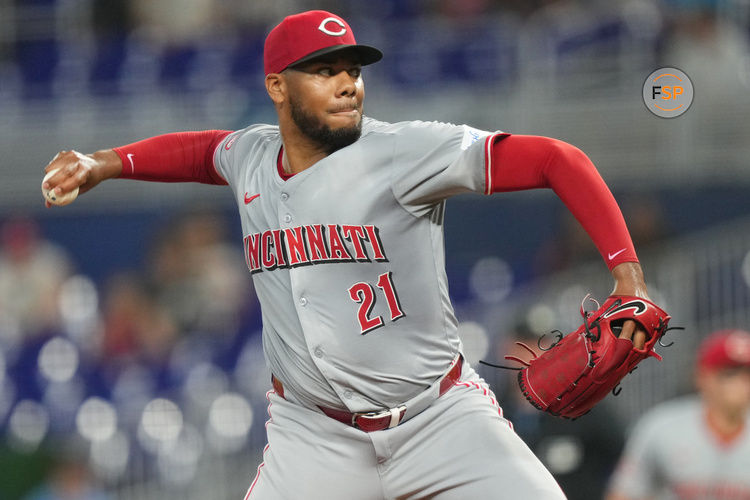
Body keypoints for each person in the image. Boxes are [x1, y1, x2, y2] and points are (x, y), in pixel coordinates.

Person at [42, 10, 661, 499]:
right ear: (277, 87)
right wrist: (106, 164)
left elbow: (559, 159)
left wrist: (626, 275)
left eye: (353, 69)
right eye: (325, 69)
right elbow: (201, 151)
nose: (347, 83)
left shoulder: (407, 153)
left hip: (438, 418)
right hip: (313, 435)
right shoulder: (252, 155)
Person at [605, 329, 750, 500]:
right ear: (702, 376)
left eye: (747, 374)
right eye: (729, 373)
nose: (741, 383)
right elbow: (623, 494)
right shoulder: (662, 426)